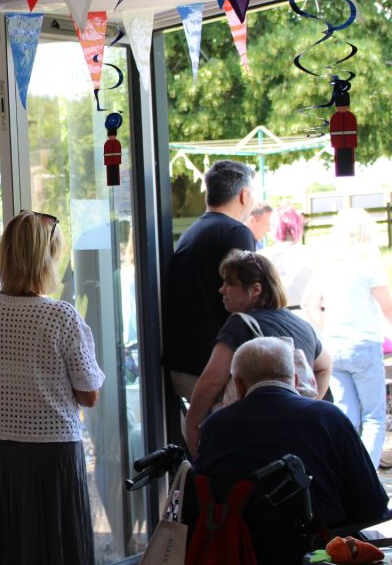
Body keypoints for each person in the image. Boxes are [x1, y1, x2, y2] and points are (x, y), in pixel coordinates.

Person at [0, 211, 105, 565]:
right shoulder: (60, 315)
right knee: (56, 546)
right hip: (52, 454)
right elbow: (89, 394)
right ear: (47, 258)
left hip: (0, 450)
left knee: (7, 543)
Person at [194, 338, 388, 551]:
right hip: (318, 550)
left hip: (240, 549)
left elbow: (204, 502)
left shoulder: (215, 426)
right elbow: (372, 506)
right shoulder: (327, 417)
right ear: (295, 380)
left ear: (238, 385)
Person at [184, 250, 332, 452]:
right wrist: (307, 405)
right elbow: (325, 367)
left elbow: (212, 382)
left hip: (252, 438)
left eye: (229, 283)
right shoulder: (300, 324)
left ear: (255, 289)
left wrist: (191, 426)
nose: (222, 289)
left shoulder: (240, 325)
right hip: (294, 439)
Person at [163, 160, 257, 402]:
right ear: (244, 195)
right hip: (215, 364)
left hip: (184, 361)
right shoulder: (237, 233)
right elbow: (247, 297)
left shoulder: (191, 233)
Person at [305, 207, 392, 468]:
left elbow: (309, 303)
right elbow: (387, 307)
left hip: (334, 345)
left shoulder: (328, 265)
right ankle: (367, 477)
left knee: (346, 414)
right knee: (375, 416)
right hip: (364, 345)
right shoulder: (369, 265)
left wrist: (327, 326)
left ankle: (348, 472)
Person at [259, 206, 313, 311]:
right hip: (305, 315)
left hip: (271, 316)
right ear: (298, 225)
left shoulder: (260, 256)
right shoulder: (311, 254)